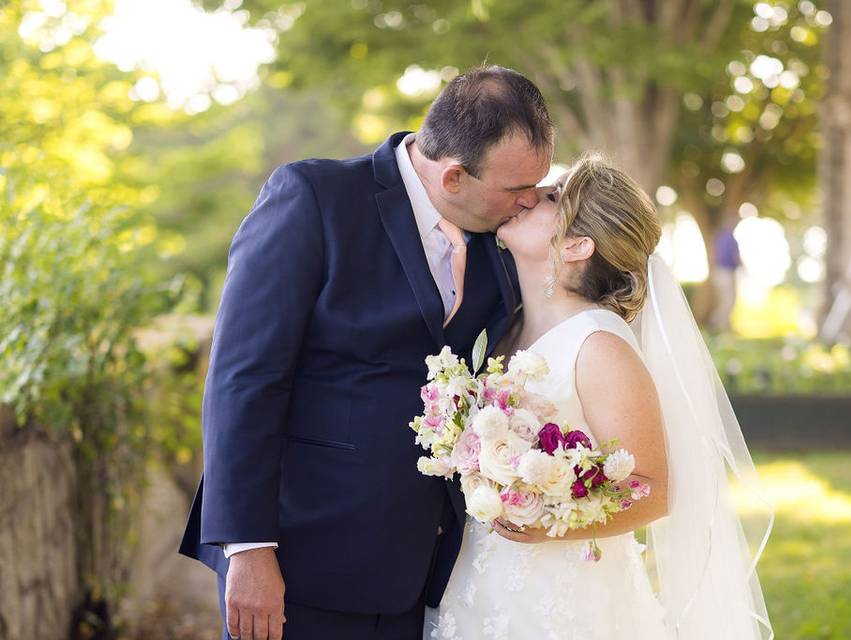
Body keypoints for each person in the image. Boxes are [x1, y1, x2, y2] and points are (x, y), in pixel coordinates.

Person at [178, 65, 555, 640]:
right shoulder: (314, 199)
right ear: (453, 177)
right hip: (299, 558)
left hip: (426, 571)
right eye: (516, 188)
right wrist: (248, 548)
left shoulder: (505, 239)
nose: (531, 201)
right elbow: (244, 377)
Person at [426, 154, 774, 639]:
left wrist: (547, 521)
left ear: (576, 245)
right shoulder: (506, 327)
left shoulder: (597, 344)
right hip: (483, 579)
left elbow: (656, 488)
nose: (526, 198)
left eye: (549, 197)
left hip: (562, 599)